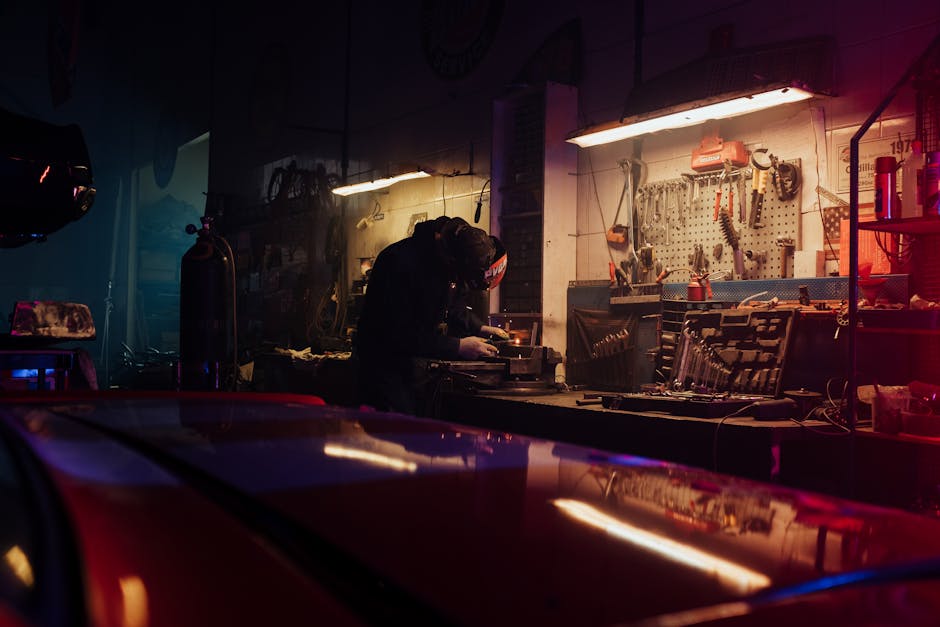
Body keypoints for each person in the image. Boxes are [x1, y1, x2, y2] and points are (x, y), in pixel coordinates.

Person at [353, 216, 508, 414]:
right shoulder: (400, 263)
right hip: (381, 369)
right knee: (396, 434)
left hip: (410, 367)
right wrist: (458, 346)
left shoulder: (445, 261)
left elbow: (453, 305)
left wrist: (480, 328)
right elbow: (400, 336)